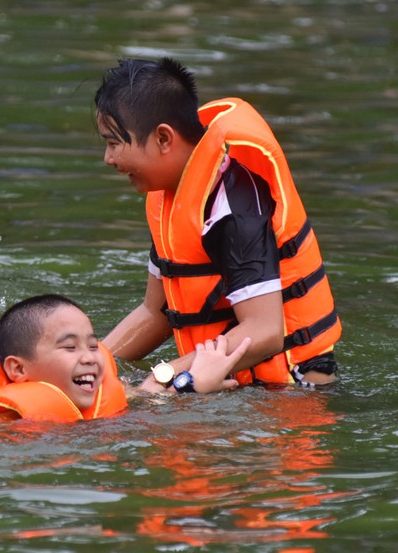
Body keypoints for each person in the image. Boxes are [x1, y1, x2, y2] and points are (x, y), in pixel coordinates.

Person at [94, 58, 341, 393]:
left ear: (164, 138)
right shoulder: (171, 195)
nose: (108, 159)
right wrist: (90, 367)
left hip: (291, 395)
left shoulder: (233, 205)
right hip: (232, 385)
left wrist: (158, 383)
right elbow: (157, 313)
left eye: (113, 143)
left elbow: (265, 331)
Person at [0, 294, 250, 422]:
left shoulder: (110, 393)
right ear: (18, 369)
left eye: (92, 345)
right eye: (70, 347)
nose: (90, 358)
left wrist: (192, 382)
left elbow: (150, 396)